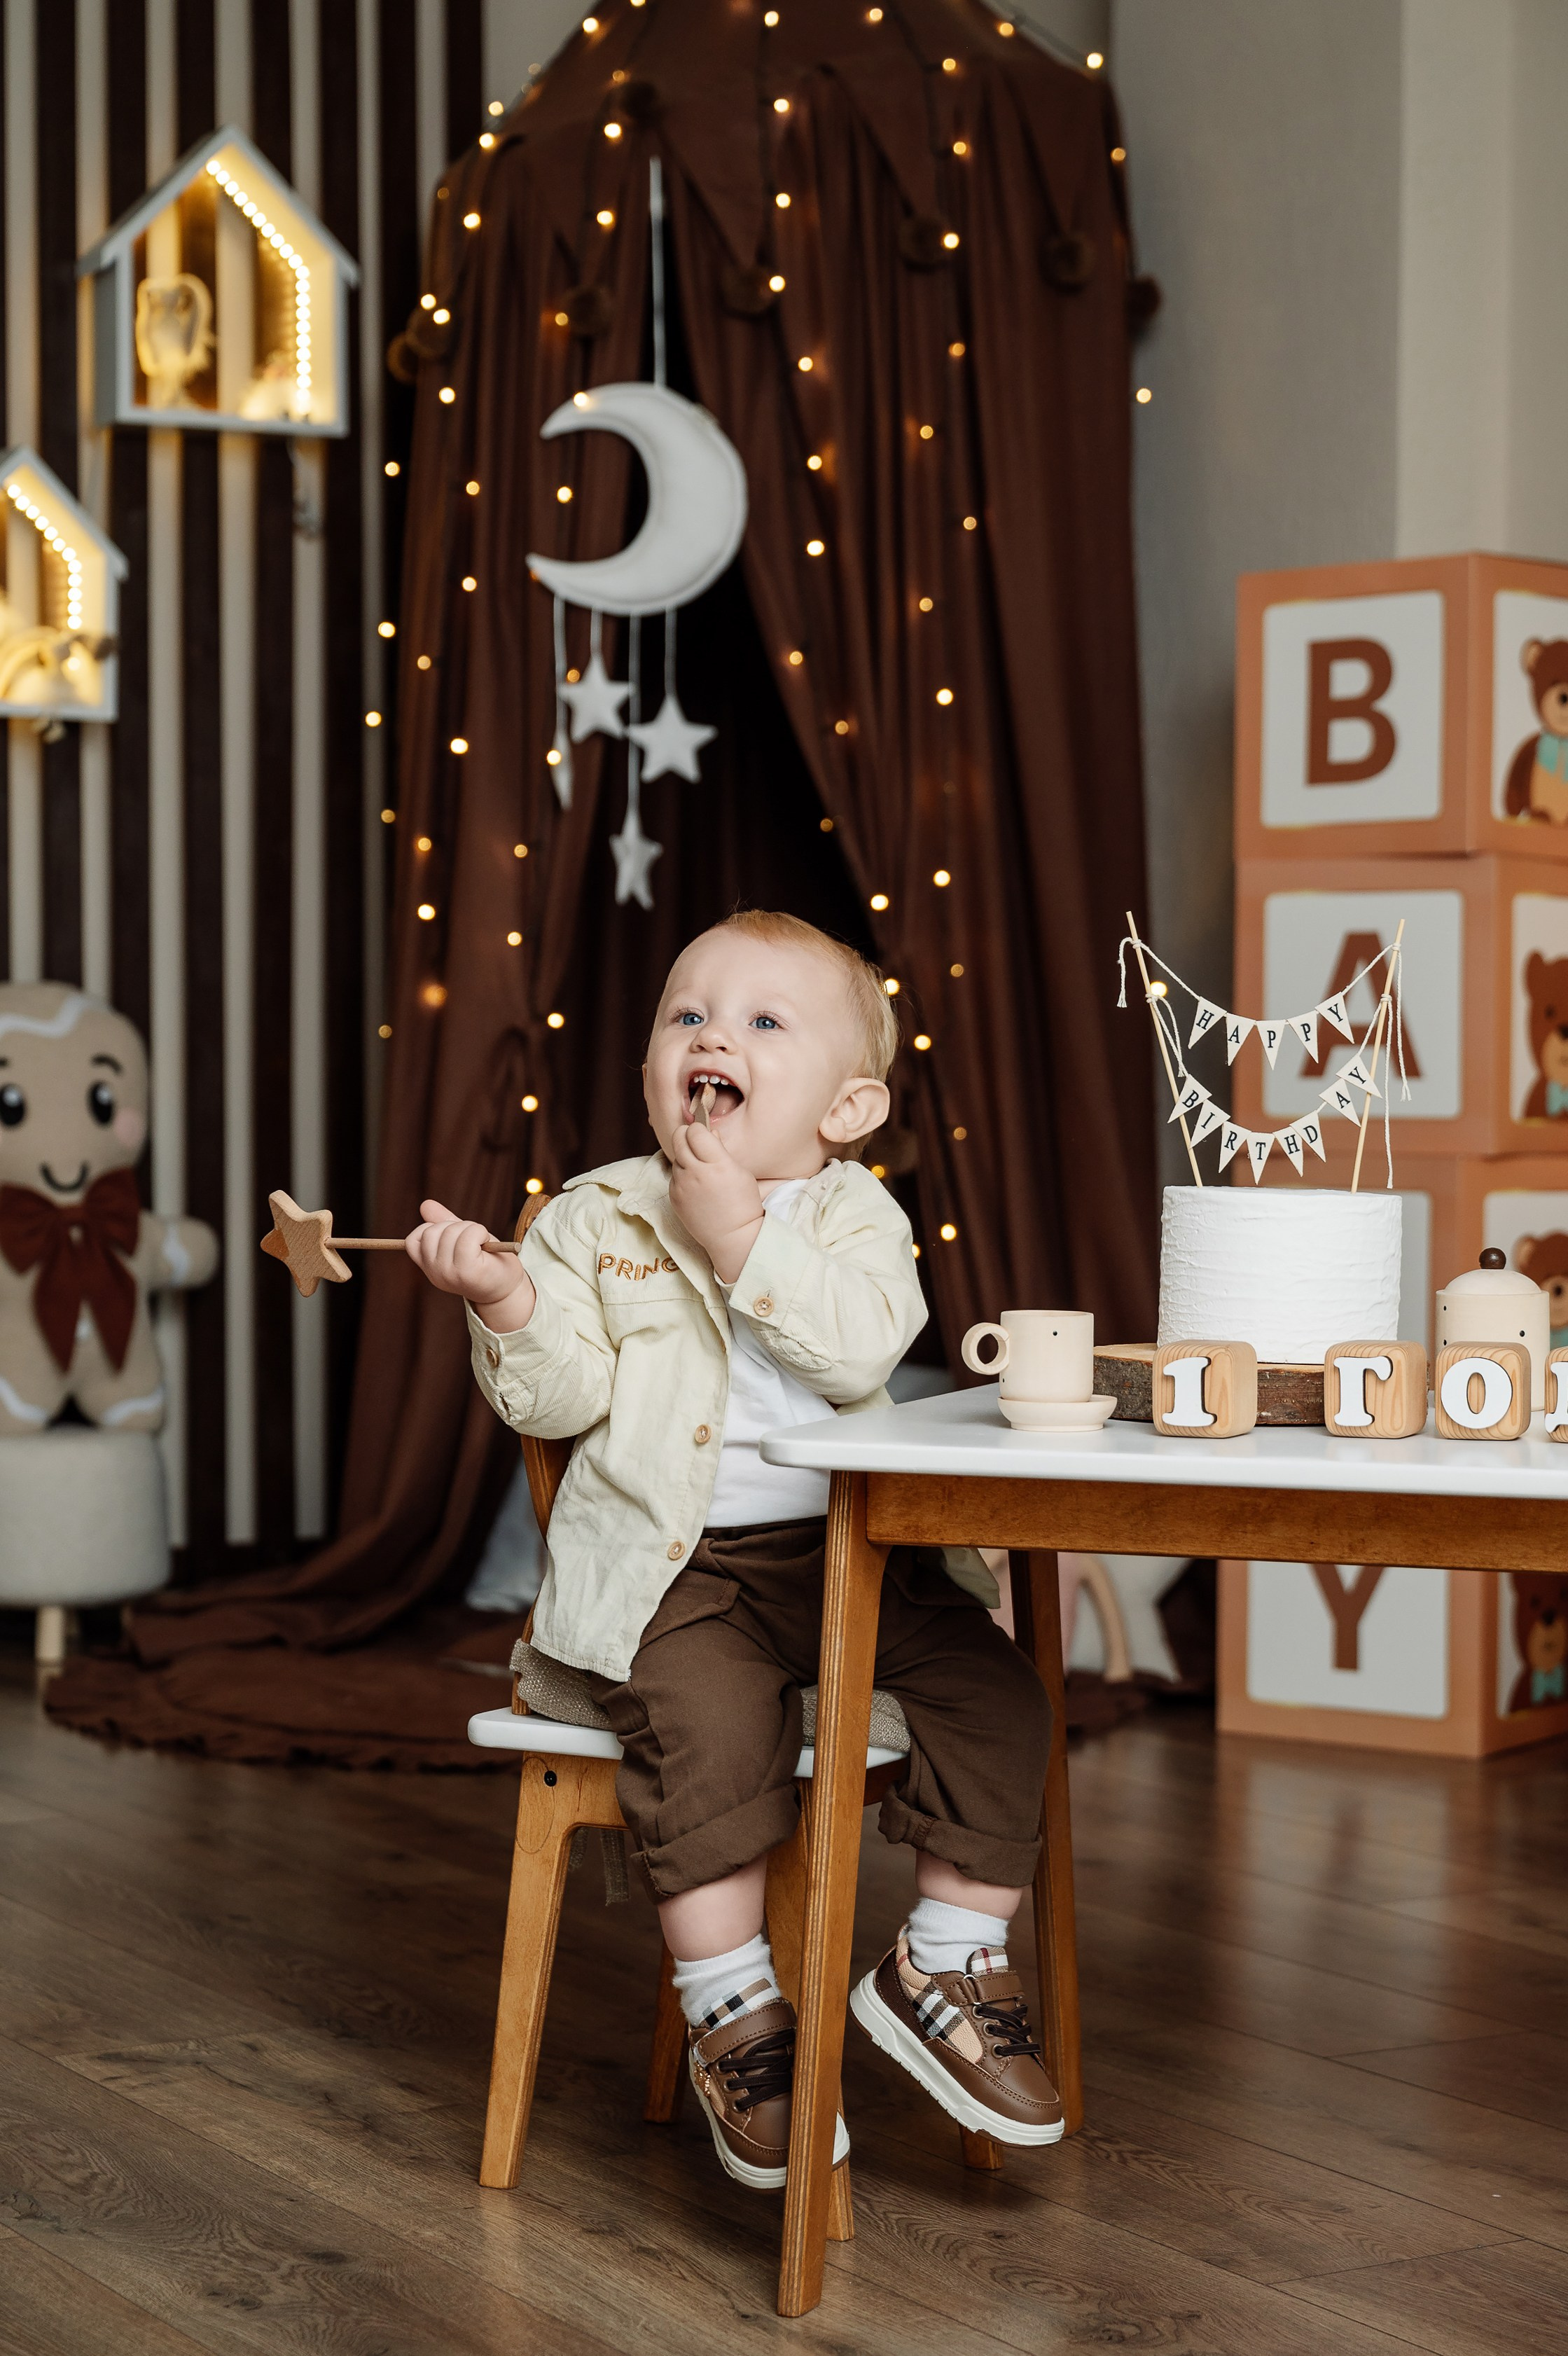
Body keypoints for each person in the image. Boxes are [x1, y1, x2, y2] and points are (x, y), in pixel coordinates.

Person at [407, 910, 1060, 2189]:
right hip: (675, 1569)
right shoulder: (593, 1216)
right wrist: (507, 1302)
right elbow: (555, 1401)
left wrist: (743, 1237)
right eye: (687, 1016)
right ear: (653, 1068)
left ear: (848, 1106)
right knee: (709, 1733)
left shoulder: (858, 1220)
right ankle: (735, 2016)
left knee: (999, 1698)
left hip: (853, 1557)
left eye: (764, 1022)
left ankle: (942, 1959)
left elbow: (861, 1350)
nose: (715, 1036)